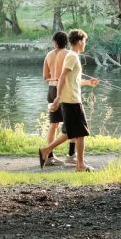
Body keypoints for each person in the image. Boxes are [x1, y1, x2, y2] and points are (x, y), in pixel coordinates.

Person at [37, 29, 99, 172]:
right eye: (84, 41)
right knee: (81, 132)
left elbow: (73, 80)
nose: (85, 44)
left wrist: (89, 83)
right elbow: (63, 77)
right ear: (79, 41)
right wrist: (58, 97)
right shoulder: (71, 56)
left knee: (71, 132)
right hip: (71, 100)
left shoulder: (71, 56)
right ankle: (80, 165)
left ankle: (46, 151)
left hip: (72, 98)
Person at [41, 31, 74, 167]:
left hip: (51, 90)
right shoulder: (68, 54)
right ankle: (71, 155)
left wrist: (54, 78)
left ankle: (49, 157)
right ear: (66, 41)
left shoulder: (49, 55)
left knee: (53, 124)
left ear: (55, 41)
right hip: (63, 91)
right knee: (72, 123)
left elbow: (45, 76)